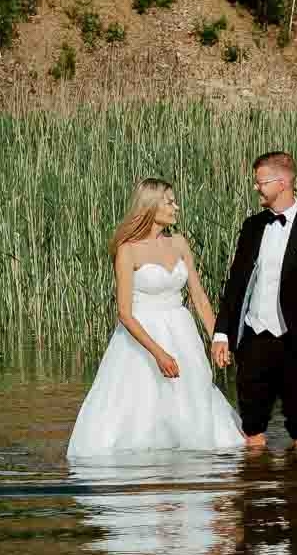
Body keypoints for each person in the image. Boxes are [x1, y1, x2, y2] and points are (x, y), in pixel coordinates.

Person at [68, 178, 244, 460]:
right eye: (169, 202)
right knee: (144, 402)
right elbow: (124, 312)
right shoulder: (128, 249)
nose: (176, 207)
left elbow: (199, 297)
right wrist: (158, 353)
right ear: (150, 206)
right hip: (143, 337)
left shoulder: (179, 243)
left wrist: (218, 338)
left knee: (192, 395)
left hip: (181, 331)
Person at [211, 151, 297, 451]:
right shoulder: (252, 226)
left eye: (261, 182)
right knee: (252, 427)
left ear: (282, 182)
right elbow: (236, 284)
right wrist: (222, 333)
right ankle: (254, 479)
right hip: (254, 339)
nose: (256, 187)